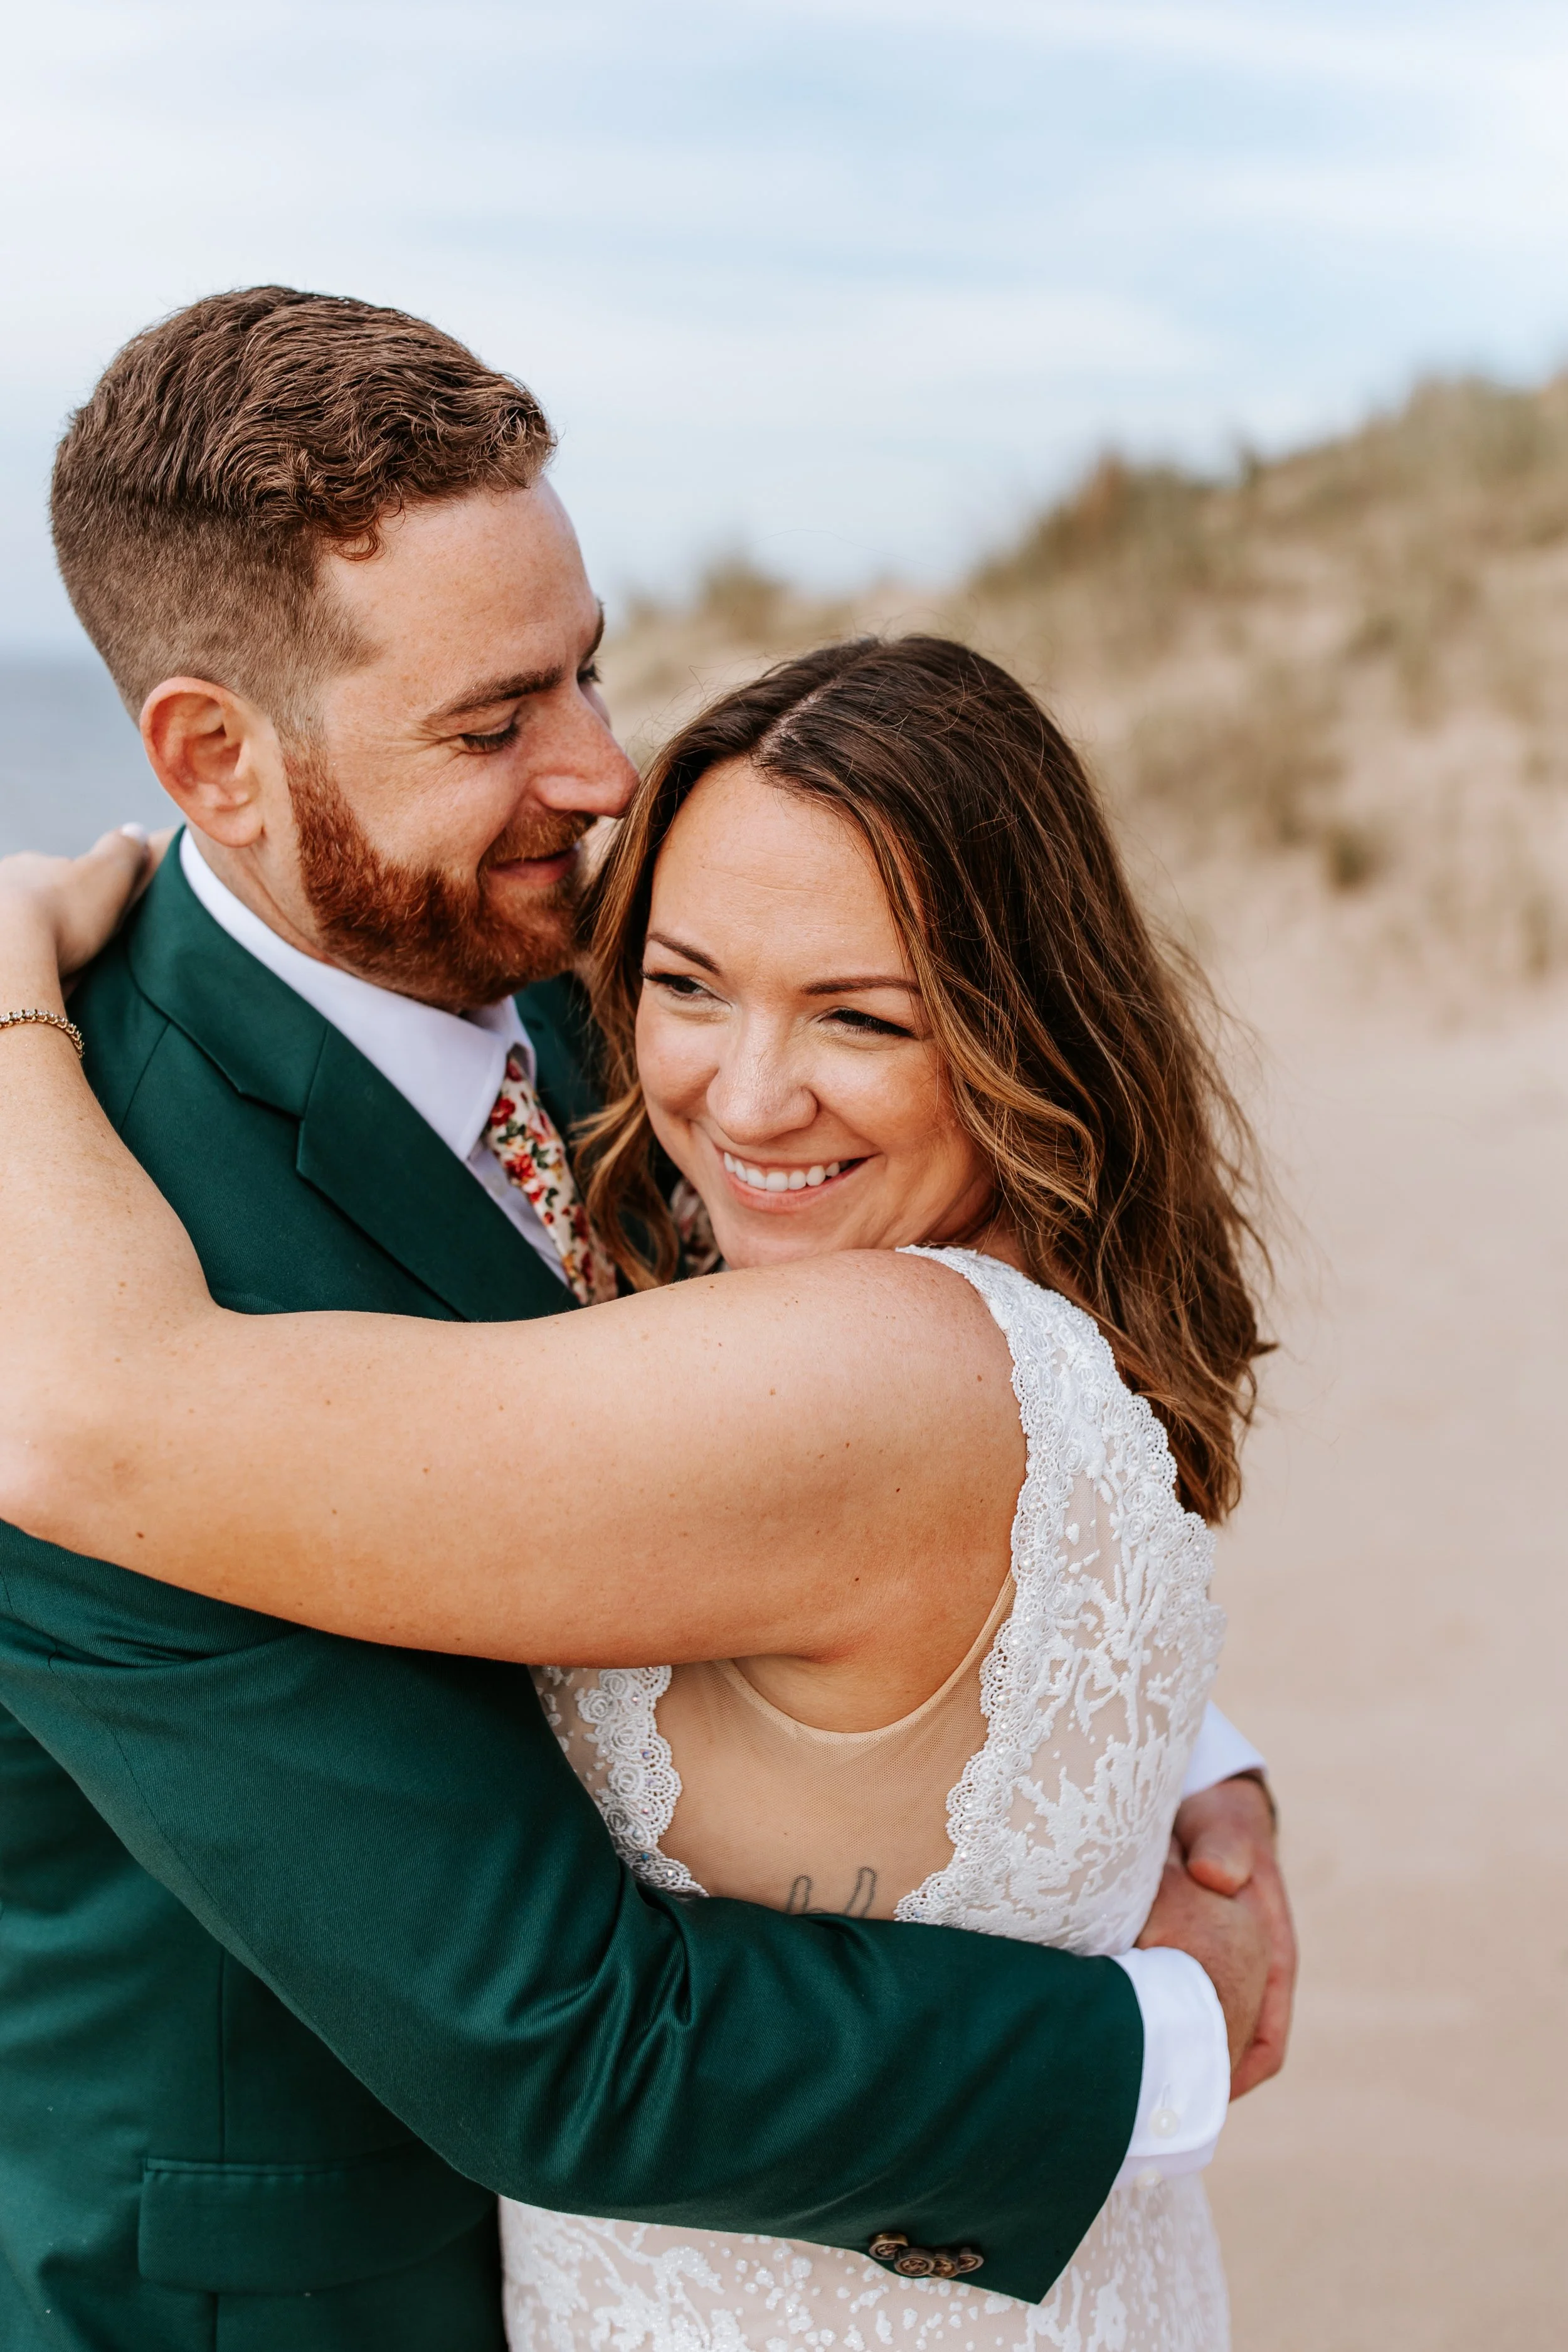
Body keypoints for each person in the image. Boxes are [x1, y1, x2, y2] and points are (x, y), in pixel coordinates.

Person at [0, 289, 1291, 2352]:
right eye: (495, 719)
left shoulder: (650, 996)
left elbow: (900, 1450)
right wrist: (1150, 2035)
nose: (600, 772)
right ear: (210, 757)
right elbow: (543, 2028)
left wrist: (1139, 1745)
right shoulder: (70, 1252)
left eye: (588, 665)